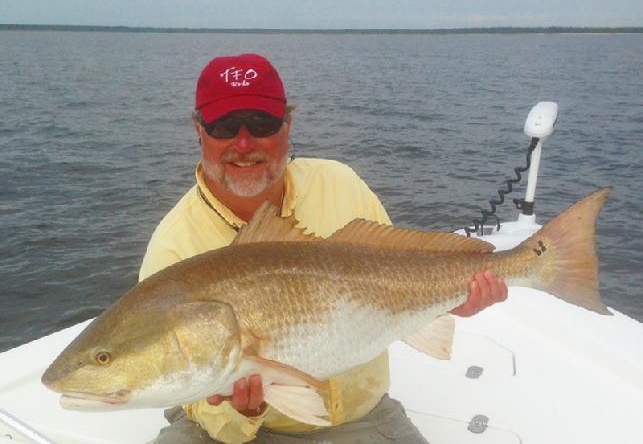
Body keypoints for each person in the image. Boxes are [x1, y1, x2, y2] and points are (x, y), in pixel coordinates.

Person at [142, 53, 508, 444]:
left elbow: (399, 277)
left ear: (288, 125)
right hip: (230, 430)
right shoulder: (174, 244)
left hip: (359, 417)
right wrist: (240, 410)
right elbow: (196, 404)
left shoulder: (341, 184)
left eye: (262, 124)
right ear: (199, 129)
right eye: (225, 126)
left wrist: (451, 297)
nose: (244, 143)